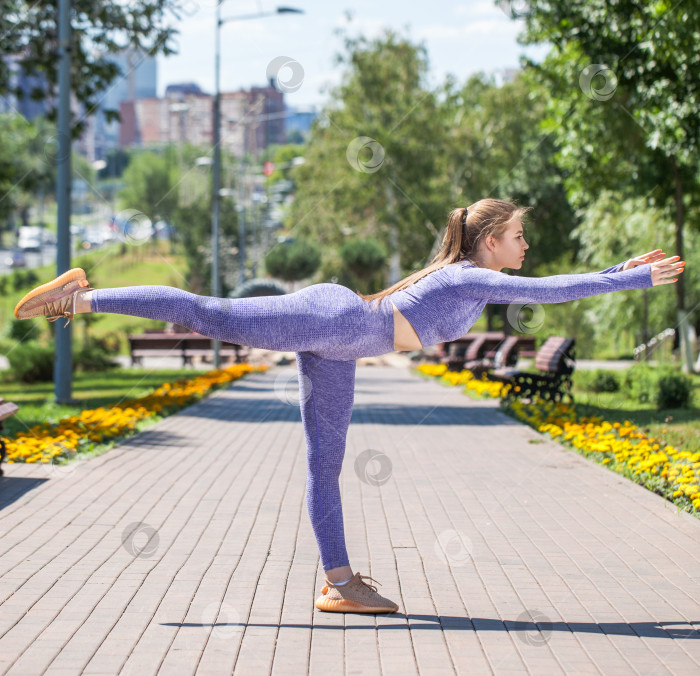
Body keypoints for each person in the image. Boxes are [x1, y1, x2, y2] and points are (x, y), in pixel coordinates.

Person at [13, 198, 685, 614]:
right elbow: (547, 290)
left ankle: (338, 582)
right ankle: (78, 296)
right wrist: (620, 279)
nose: (524, 246)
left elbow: (537, 284)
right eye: (516, 236)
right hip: (334, 321)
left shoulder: (474, 282)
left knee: (324, 465)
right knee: (209, 312)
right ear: (489, 242)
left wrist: (620, 270)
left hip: (342, 343)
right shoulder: (467, 273)